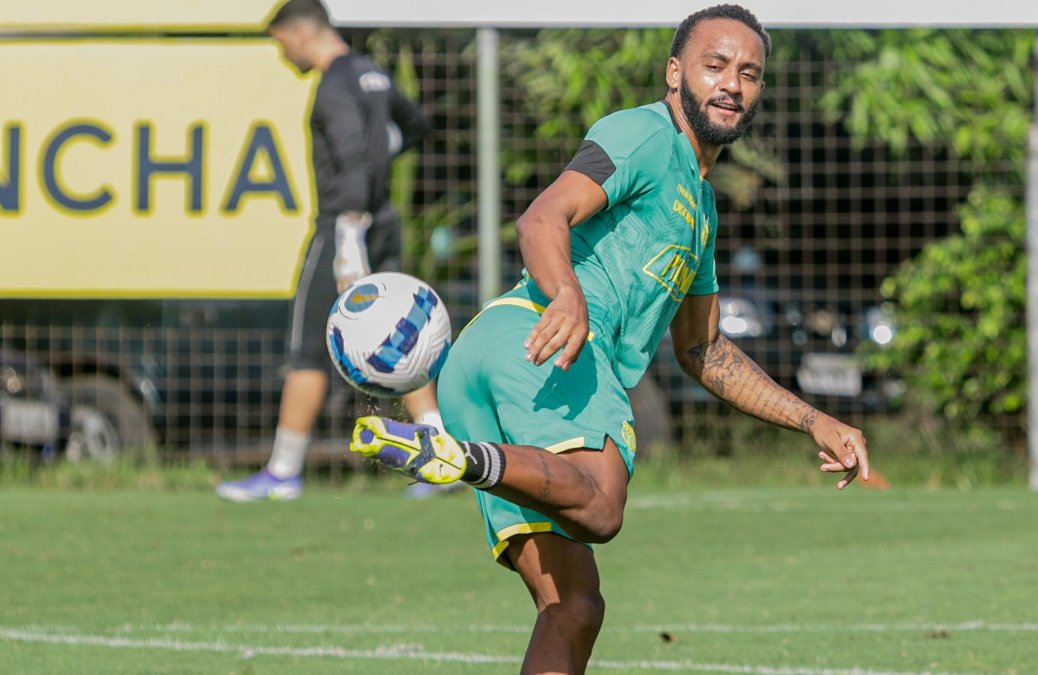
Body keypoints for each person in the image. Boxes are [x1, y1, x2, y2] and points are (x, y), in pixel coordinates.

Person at [351, 5, 870, 671]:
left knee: (572, 605)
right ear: (675, 72)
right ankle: (455, 454)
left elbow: (703, 349)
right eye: (715, 66)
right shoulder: (645, 135)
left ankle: (456, 451)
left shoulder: (701, 208)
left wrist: (813, 419)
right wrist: (567, 294)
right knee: (600, 503)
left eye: (749, 73)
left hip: (501, 360)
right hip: (540, 342)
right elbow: (544, 215)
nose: (731, 84)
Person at [217, 0, 441, 502]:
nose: (282, 54)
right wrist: (384, 157)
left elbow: (351, 161)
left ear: (299, 33)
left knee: (308, 348)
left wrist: (347, 234)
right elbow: (415, 124)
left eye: (279, 42)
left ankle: (282, 471)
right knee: (408, 337)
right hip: (385, 223)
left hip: (347, 228)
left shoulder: (334, 86)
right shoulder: (371, 75)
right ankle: (437, 449)